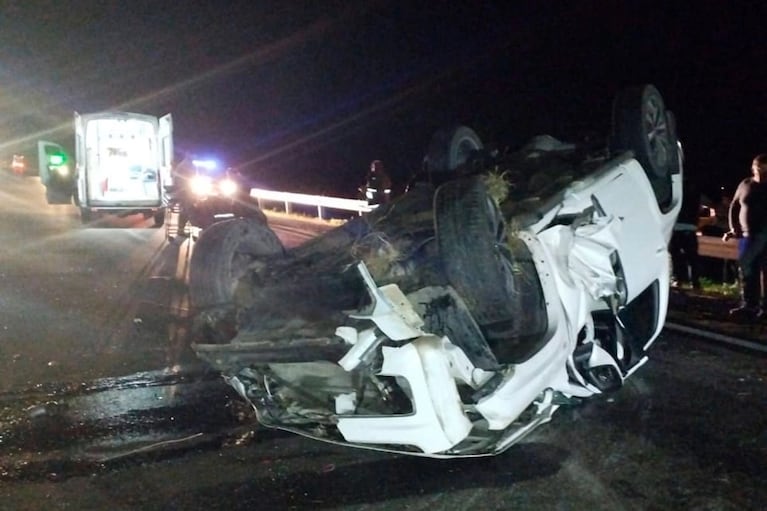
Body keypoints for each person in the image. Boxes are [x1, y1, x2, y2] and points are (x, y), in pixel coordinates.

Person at [723, 154, 767, 318]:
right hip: (747, 236)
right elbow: (734, 206)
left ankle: (765, 308)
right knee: (747, 270)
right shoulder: (745, 184)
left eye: (764, 168)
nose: (761, 171)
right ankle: (749, 305)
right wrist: (733, 228)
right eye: (758, 167)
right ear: (753, 167)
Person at [669, 179, 701, 289]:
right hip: (689, 227)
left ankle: (677, 279)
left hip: (677, 226)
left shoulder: (674, 192)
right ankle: (695, 282)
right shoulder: (695, 191)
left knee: (676, 256)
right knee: (692, 257)